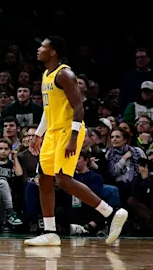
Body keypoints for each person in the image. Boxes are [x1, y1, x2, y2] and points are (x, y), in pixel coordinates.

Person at [25, 36, 128, 246]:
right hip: (53, 131)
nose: (38, 50)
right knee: (44, 178)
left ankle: (110, 212)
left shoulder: (65, 74)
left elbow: (78, 107)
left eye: (42, 47)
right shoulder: (46, 74)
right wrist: (38, 133)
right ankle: (50, 232)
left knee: (62, 180)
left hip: (67, 130)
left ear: (53, 52)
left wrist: (73, 138)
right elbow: (49, 109)